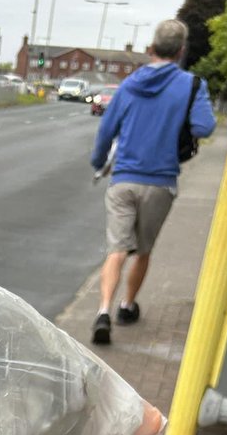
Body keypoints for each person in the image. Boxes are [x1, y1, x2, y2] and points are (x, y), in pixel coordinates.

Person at [89, 19, 216, 346]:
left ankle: (102, 311)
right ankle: (126, 306)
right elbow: (204, 127)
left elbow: (106, 131)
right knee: (142, 251)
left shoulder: (129, 85)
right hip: (160, 182)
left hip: (123, 179)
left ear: (151, 49)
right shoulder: (191, 85)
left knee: (116, 249)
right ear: (182, 51)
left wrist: (97, 161)